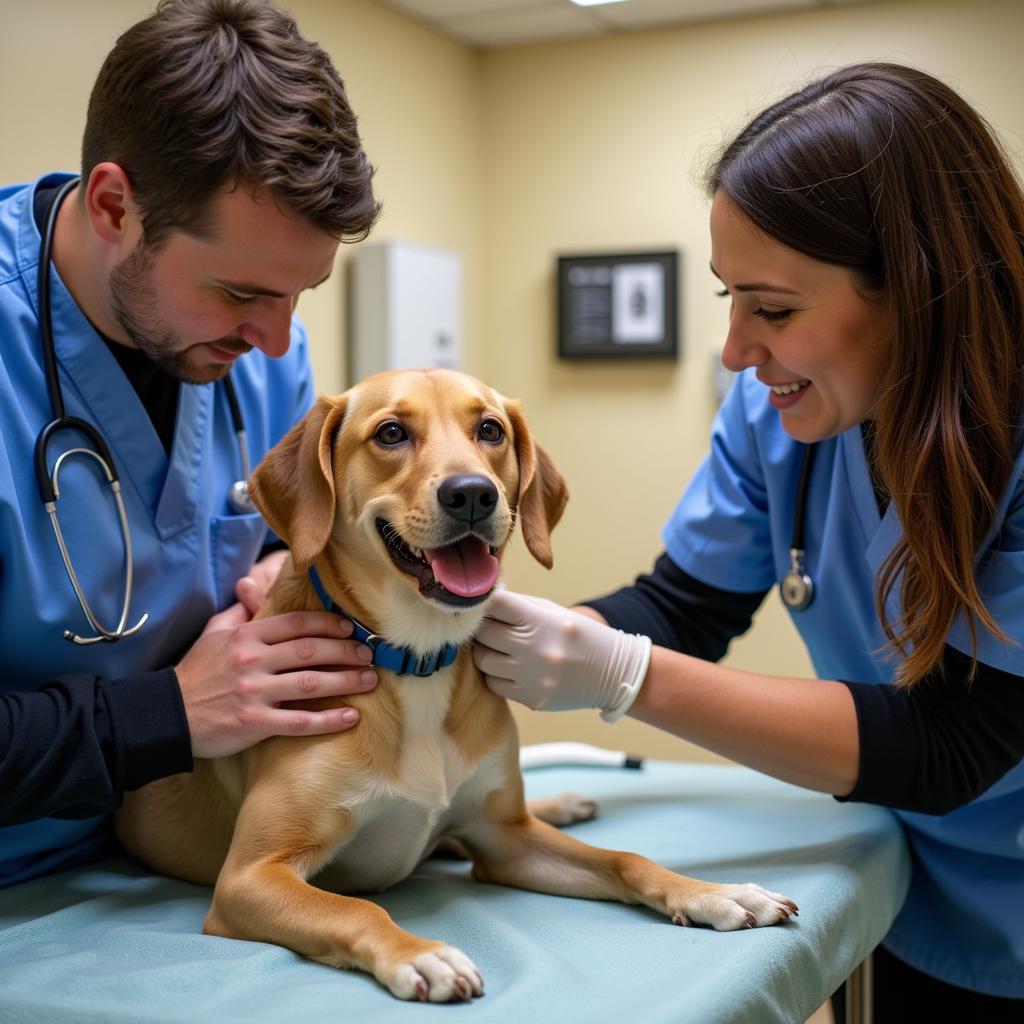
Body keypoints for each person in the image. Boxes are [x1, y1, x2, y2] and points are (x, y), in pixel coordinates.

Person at [473, 63, 1024, 1021]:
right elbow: (689, 606)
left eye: (772, 309)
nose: (735, 349)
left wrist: (621, 674)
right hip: (914, 886)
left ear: (918, 290)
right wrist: (500, 633)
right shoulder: (777, 417)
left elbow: (955, 740)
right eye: (731, 298)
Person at [0, 0, 381, 887]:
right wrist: (164, 714)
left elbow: (278, 532)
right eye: (242, 292)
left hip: (167, 849)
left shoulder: (251, 348)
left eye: (303, 292)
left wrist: (291, 575)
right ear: (112, 205)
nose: (279, 341)